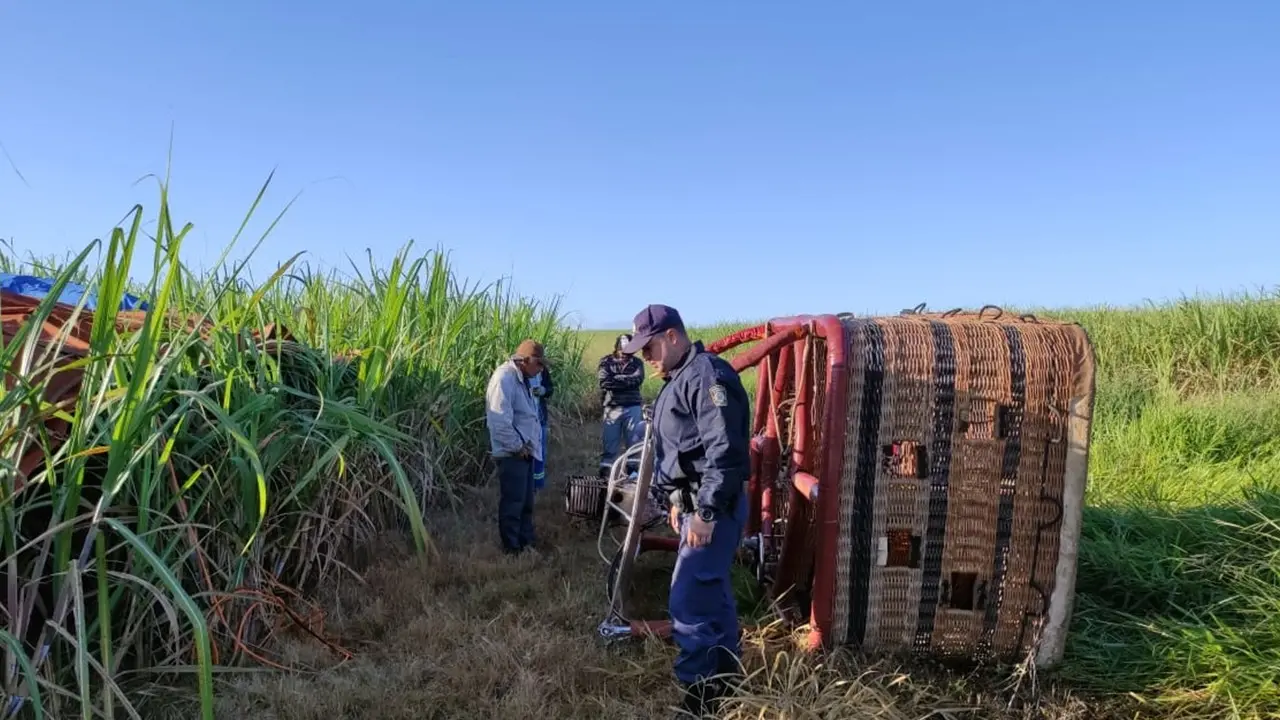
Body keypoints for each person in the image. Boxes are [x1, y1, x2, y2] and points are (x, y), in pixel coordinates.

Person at [620, 304, 751, 717]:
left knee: (688, 600)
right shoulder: (679, 378)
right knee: (713, 591)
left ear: (673, 336)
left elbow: (724, 452)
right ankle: (727, 678)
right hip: (695, 503)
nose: (648, 359)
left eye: (651, 348)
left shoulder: (707, 377)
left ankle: (700, 700)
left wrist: (706, 512)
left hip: (714, 505)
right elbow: (683, 450)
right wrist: (679, 502)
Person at [484, 338, 548, 555]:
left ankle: (526, 542)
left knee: (526, 501)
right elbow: (498, 421)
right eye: (539, 364)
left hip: (525, 450)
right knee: (513, 502)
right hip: (512, 453)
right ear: (525, 360)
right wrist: (518, 447)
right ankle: (512, 549)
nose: (541, 369)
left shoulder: (523, 377)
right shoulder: (504, 379)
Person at [597, 332, 646, 477]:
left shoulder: (637, 363)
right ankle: (606, 477)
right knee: (610, 446)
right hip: (612, 409)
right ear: (617, 348)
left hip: (633, 407)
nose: (625, 354)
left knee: (634, 446)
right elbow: (604, 382)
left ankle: (633, 476)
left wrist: (616, 379)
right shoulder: (605, 361)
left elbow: (637, 380)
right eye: (622, 351)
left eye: (629, 351)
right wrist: (626, 380)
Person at [528, 365, 554, 491]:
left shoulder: (543, 370)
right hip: (526, 420)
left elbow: (550, 388)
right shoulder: (520, 374)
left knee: (540, 453)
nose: (539, 368)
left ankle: (538, 485)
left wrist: (544, 390)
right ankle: (528, 485)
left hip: (540, 418)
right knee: (527, 453)